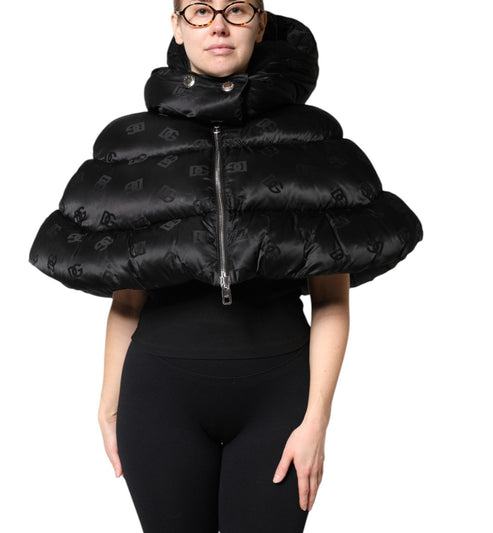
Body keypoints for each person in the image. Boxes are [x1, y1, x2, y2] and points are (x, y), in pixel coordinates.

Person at [28, 1, 423, 531]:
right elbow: (128, 293)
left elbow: (332, 297)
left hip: (279, 394)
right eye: (199, 10)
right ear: (176, 26)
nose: (218, 24)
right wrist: (107, 401)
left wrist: (316, 421)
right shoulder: (133, 144)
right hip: (158, 396)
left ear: (260, 24)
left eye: (236, 9)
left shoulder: (312, 143)